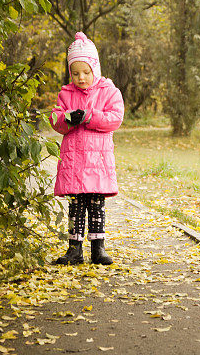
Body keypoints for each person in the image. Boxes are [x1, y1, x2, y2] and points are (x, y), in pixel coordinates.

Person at [49, 31, 124, 266]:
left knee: (96, 206)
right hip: (74, 163)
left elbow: (115, 118)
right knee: (75, 206)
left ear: (95, 69)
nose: (81, 78)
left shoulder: (108, 91)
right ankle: (74, 249)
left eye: (85, 72)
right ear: (70, 72)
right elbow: (57, 120)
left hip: (97, 163)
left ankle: (98, 249)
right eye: (75, 73)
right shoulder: (66, 94)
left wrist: (90, 116)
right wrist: (70, 119)